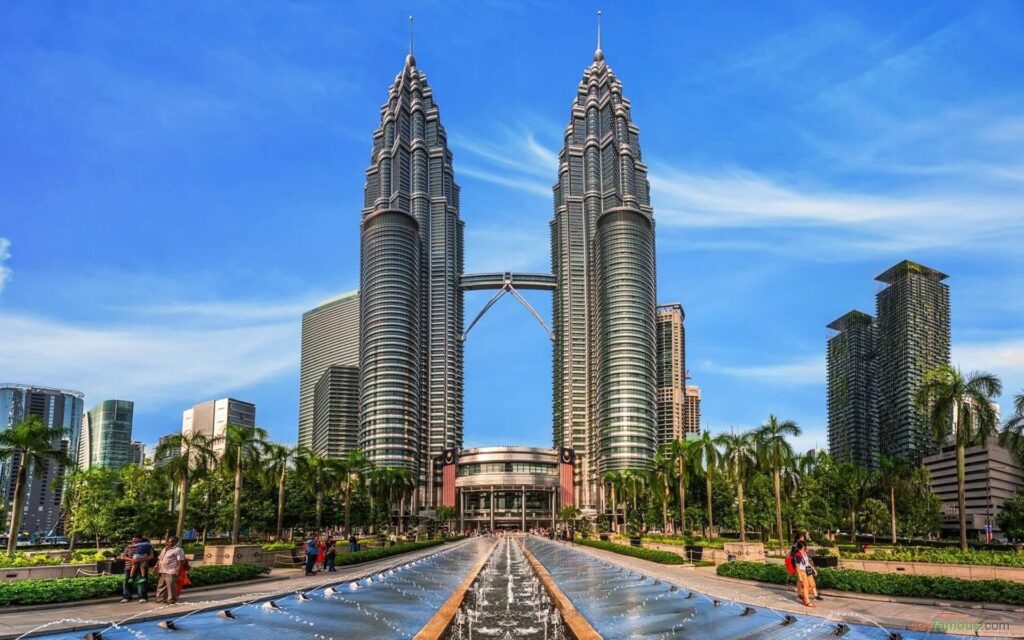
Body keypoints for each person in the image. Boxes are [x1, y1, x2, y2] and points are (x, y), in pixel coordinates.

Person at [119, 534, 153, 603]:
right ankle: (127, 597)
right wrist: (132, 560)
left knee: (141, 582)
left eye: (137, 539)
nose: (135, 540)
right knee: (126, 582)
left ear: (140, 539)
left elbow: (151, 556)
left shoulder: (146, 546)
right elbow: (123, 556)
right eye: (133, 539)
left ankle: (142, 597)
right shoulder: (128, 547)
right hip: (129, 567)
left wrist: (140, 560)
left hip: (141, 567)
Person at [155, 536, 186, 604]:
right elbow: (160, 558)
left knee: (171, 586)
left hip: (171, 570)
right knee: (161, 585)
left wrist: (178, 570)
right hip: (163, 570)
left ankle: (171, 600)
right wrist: (156, 566)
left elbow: (181, 561)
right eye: (169, 541)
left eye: (173, 541)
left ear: (176, 542)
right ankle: (160, 598)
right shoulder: (165, 549)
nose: (171, 543)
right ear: (167, 542)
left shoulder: (178, 550)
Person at [794, 541, 819, 607]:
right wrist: (799, 575)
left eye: (804, 548)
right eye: (802, 548)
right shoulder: (797, 555)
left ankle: (802, 595)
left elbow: (807, 562)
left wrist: (814, 569)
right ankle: (807, 602)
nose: (803, 549)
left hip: (807, 570)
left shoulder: (804, 553)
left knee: (813, 584)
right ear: (799, 548)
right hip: (802, 571)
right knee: (806, 586)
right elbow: (797, 566)